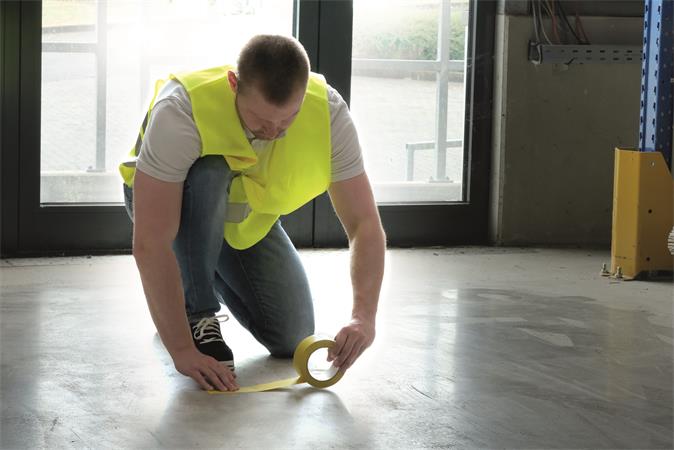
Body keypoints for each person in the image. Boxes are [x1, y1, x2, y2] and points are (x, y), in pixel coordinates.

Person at [119, 34, 386, 392]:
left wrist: (363, 317)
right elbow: (152, 242)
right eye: (260, 120)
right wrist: (181, 348)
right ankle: (196, 310)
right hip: (171, 206)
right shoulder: (181, 110)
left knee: (292, 335)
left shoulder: (329, 113)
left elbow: (364, 223)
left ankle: (193, 273)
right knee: (210, 170)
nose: (273, 131)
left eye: (288, 119)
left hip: (242, 216)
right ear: (234, 84)